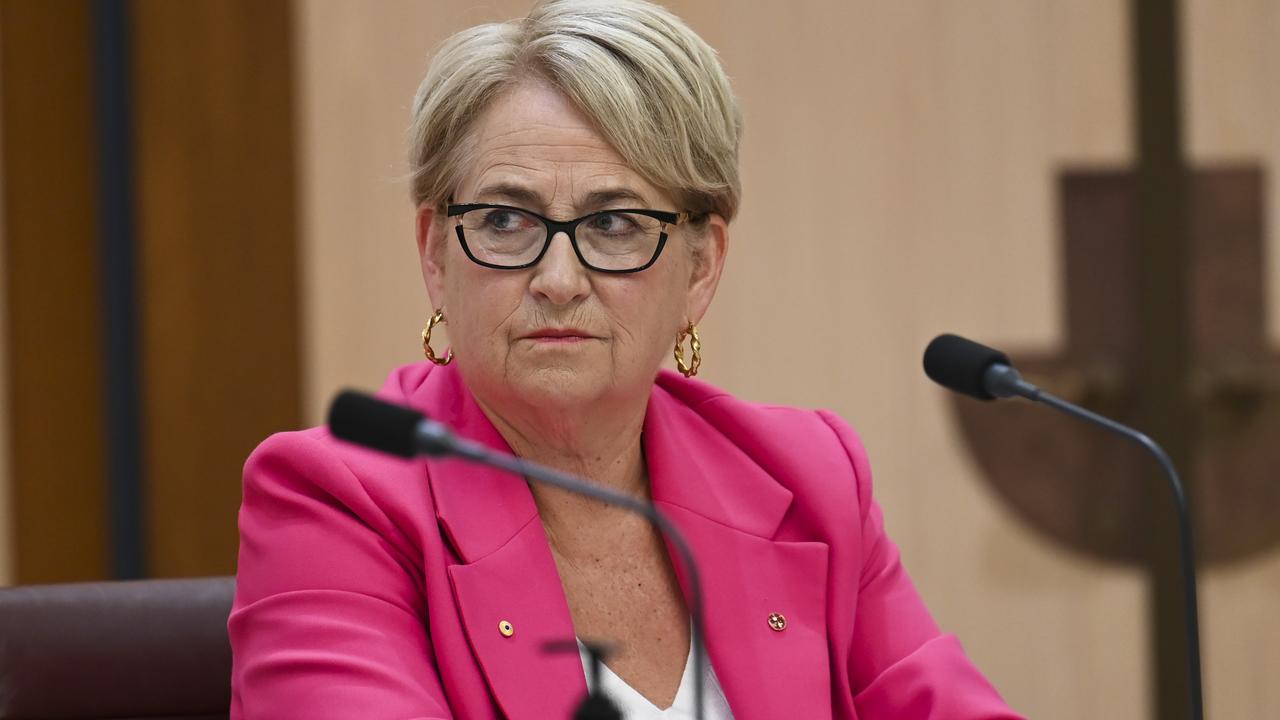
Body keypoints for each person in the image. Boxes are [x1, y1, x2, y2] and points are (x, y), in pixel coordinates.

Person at [229, 1, 1023, 718]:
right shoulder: (338, 501)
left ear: (701, 268)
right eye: (506, 220)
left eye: (614, 226)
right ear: (437, 253)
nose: (558, 280)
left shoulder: (805, 478)